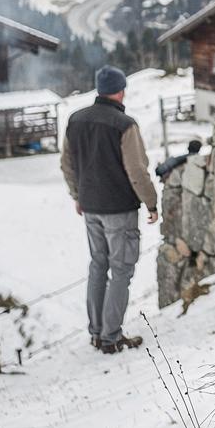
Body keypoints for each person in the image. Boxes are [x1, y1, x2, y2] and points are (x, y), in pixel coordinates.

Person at [61, 66, 160, 354]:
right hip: (119, 208)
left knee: (98, 265)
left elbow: (66, 164)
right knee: (120, 270)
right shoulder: (124, 124)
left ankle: (97, 331)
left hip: (90, 207)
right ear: (120, 90)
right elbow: (136, 170)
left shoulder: (75, 119)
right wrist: (151, 202)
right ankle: (111, 336)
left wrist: (77, 195)